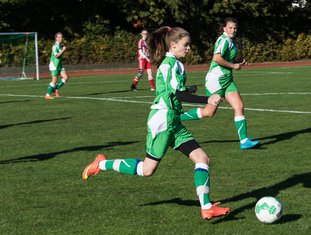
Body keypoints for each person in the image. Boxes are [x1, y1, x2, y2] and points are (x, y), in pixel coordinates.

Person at [82, 26, 230, 220]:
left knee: (202, 158)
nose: (189, 49)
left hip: (173, 120)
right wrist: (207, 99)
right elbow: (175, 93)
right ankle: (101, 164)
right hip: (162, 121)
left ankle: (206, 206)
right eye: (186, 45)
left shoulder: (175, 64)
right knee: (147, 170)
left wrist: (191, 89)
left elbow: (174, 89)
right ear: (173, 44)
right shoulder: (169, 64)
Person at [180, 18, 260, 150]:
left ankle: (244, 140)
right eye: (230, 28)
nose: (233, 30)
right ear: (224, 28)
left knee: (239, 106)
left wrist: (237, 63)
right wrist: (233, 65)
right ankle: (178, 117)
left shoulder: (230, 41)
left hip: (227, 80)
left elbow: (226, 58)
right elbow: (216, 58)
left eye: (235, 28)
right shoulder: (224, 40)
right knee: (209, 112)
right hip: (216, 81)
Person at [45, 32, 69, 100]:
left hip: (59, 65)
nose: (61, 38)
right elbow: (57, 55)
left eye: (61, 37)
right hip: (54, 65)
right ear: (56, 38)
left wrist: (62, 50)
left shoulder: (60, 46)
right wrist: (63, 50)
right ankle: (47, 95)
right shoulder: (54, 46)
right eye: (59, 37)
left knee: (65, 77)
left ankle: (55, 89)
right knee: (55, 80)